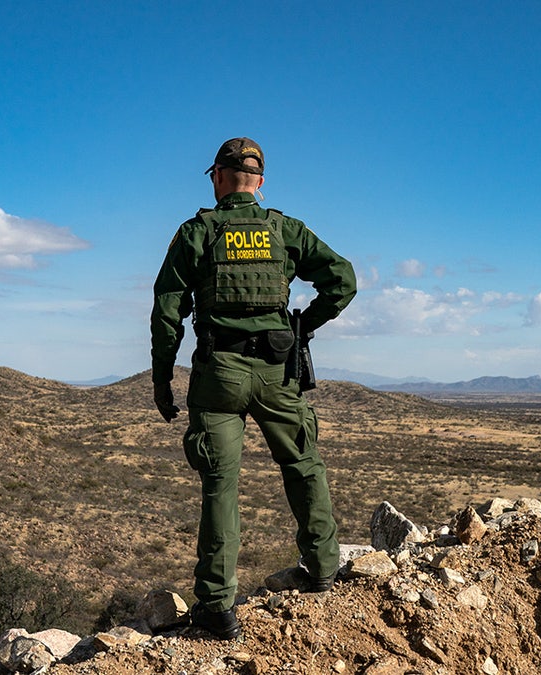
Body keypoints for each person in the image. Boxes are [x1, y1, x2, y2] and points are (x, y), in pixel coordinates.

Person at [150, 137, 357, 640]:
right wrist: (306, 324)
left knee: (220, 485)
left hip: (219, 374)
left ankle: (218, 606)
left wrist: (162, 377)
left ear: (219, 177)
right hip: (278, 369)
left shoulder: (197, 232)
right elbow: (343, 280)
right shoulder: (283, 229)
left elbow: (167, 312)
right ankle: (324, 567)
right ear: (259, 182)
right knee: (303, 465)